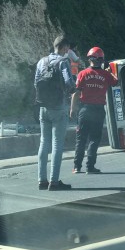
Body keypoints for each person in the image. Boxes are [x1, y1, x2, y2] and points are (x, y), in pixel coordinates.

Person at [35, 35, 76, 191]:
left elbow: (36, 83)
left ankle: (42, 180)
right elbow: (69, 83)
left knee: (44, 142)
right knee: (57, 144)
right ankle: (54, 182)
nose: (68, 51)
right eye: (68, 48)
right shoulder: (63, 62)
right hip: (59, 107)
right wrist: (74, 88)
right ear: (64, 47)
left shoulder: (41, 61)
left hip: (43, 107)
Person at [70, 46, 118, 174]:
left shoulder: (82, 73)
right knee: (94, 139)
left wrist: (72, 109)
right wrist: (109, 70)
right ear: (101, 60)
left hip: (84, 110)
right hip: (98, 110)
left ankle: (77, 167)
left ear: (89, 59)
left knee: (81, 139)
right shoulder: (106, 75)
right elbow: (116, 82)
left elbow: (76, 93)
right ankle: (90, 167)